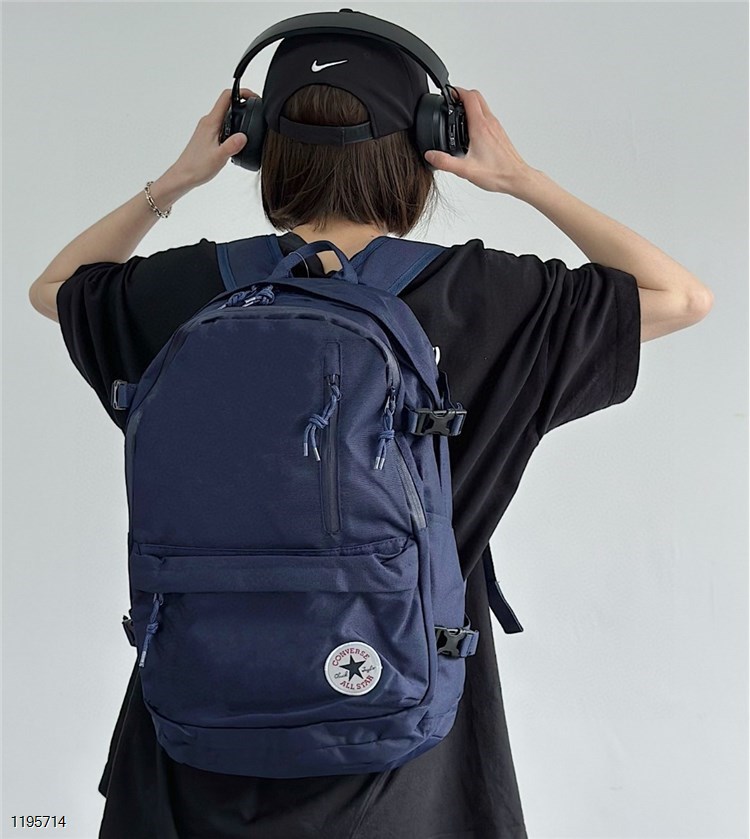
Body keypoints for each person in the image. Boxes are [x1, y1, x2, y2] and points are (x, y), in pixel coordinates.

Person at [28, 32, 713, 839]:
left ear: (259, 146)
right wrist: (520, 179)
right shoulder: (486, 295)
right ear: (427, 144)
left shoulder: (184, 292)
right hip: (405, 754)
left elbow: (56, 287)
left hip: (191, 740)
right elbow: (679, 296)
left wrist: (176, 180)